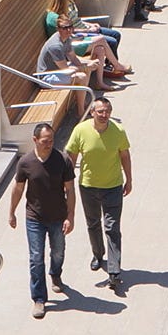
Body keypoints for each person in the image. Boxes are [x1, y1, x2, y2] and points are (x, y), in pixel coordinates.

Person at [8, 121, 76, 318]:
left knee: (58, 252)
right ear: (35, 140)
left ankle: (56, 274)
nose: (49, 144)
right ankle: (39, 298)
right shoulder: (26, 163)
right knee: (36, 258)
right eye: (45, 141)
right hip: (34, 218)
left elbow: (70, 190)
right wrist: (11, 212)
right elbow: (18, 188)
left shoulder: (62, 160)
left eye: (51, 140)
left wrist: (70, 216)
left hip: (58, 217)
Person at [67, 95, 133, 293]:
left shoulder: (118, 131)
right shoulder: (81, 130)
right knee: (93, 223)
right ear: (93, 113)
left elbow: (125, 155)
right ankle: (98, 254)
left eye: (107, 111)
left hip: (112, 186)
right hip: (88, 186)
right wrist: (67, 182)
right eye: (100, 111)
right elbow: (71, 156)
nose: (104, 115)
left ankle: (114, 271)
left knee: (112, 228)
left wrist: (129, 179)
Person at [45, 0, 130, 79]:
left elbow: (69, 31)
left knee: (102, 47)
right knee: (102, 39)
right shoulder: (57, 19)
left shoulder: (56, 14)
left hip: (69, 41)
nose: (69, 2)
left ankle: (102, 79)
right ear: (62, 2)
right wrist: (86, 32)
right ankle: (116, 65)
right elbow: (68, 33)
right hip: (68, 46)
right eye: (67, 0)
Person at [37, 17, 102, 91]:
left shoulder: (67, 38)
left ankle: (99, 84)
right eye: (64, 28)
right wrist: (86, 67)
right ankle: (82, 103)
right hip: (46, 78)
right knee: (82, 77)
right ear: (58, 29)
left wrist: (89, 62)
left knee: (90, 61)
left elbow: (74, 58)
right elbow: (66, 70)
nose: (68, 30)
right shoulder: (55, 46)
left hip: (57, 70)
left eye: (70, 27)